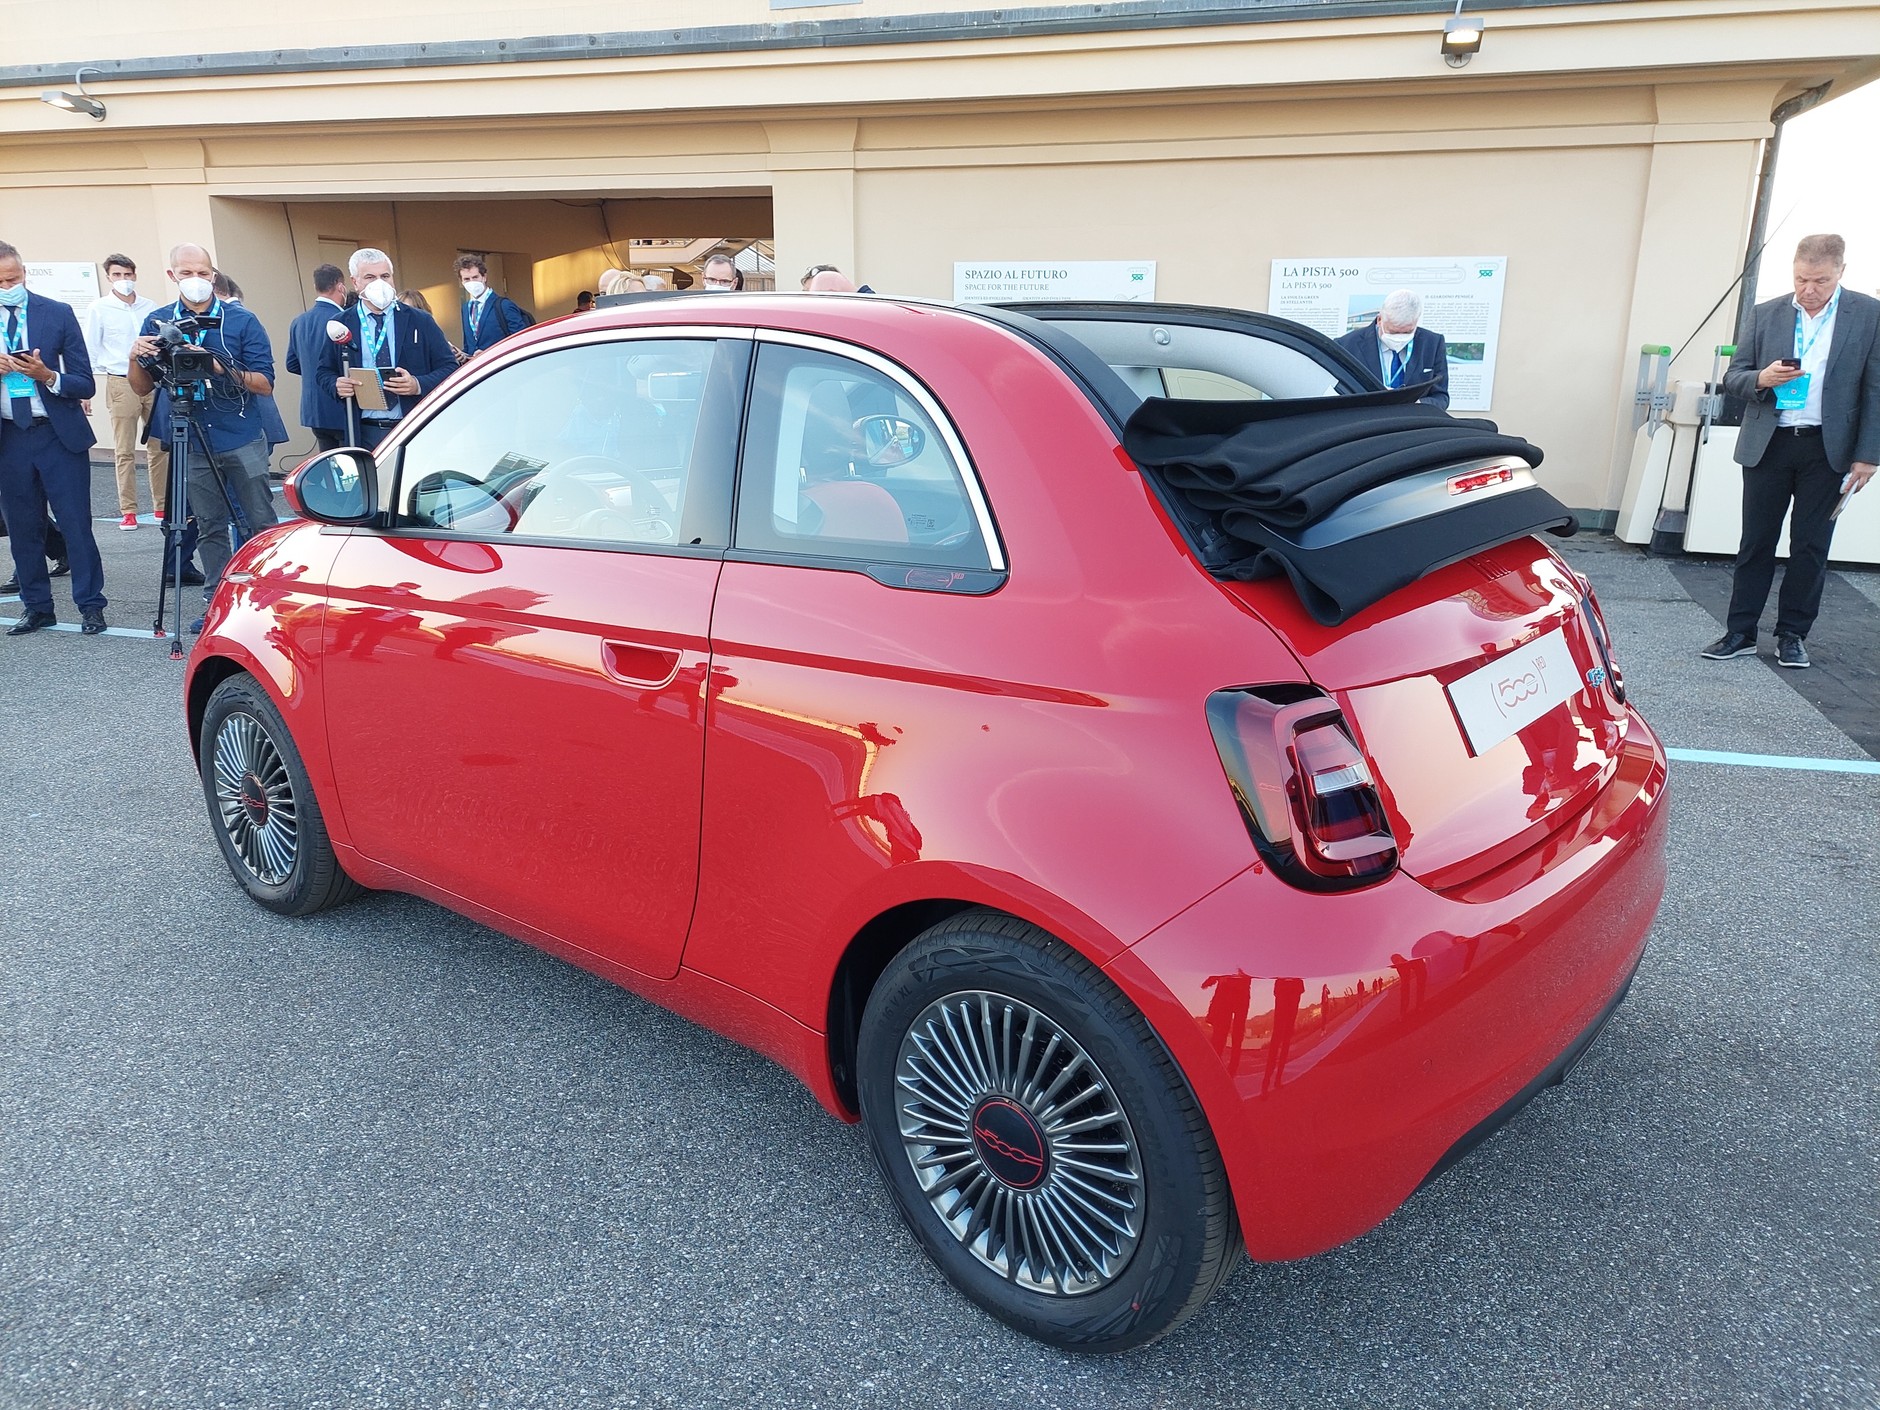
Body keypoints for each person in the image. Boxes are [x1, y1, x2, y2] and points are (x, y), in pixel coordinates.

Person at [1704, 233, 1880, 668]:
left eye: (1819, 280)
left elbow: (1875, 388)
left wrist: (1869, 454)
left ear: (1841, 272)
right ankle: (1740, 632)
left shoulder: (1868, 315)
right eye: (1801, 278)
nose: (1809, 290)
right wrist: (1761, 379)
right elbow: (1735, 376)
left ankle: (1792, 635)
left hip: (1828, 449)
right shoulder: (1766, 313)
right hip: (1771, 444)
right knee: (1755, 543)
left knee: (1810, 547)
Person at [127, 242, 279, 630]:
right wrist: (135, 355)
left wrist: (214, 365)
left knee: (258, 522)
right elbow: (142, 388)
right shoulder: (158, 321)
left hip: (240, 432)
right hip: (192, 435)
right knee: (209, 524)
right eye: (187, 273)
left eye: (203, 273)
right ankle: (216, 598)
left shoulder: (241, 321)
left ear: (214, 275)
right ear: (172, 275)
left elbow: (264, 384)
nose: (196, 281)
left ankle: (267, 596)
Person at [0, 239, 108, 635]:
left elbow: (84, 383)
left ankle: (91, 605)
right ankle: (37, 607)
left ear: (24, 273)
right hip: (9, 437)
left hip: (57, 435)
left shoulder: (57, 313)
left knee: (76, 525)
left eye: (12, 278)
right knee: (24, 528)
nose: (6, 286)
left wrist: (46, 375)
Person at [323, 248, 456, 451]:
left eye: (385, 276)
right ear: (355, 282)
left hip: (415, 425)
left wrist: (417, 384)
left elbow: (449, 367)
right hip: (365, 431)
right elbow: (323, 371)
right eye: (370, 277)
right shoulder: (340, 324)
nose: (380, 283)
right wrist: (336, 385)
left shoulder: (420, 320)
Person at [82, 253, 166, 531]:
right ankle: (128, 509)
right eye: (117, 275)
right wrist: (88, 391)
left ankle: (161, 506)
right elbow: (92, 349)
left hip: (153, 380)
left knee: (158, 446)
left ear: (135, 275)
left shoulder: (150, 307)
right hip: (119, 380)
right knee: (125, 449)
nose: (123, 280)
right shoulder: (99, 308)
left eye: (128, 275)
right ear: (109, 278)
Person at [1334, 289, 1450, 410]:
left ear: (1416, 321)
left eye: (1407, 332)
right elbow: (1340, 395)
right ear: (1380, 320)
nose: (1399, 337)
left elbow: (1441, 396)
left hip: (1413, 424)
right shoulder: (1346, 346)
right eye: (1393, 331)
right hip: (1367, 422)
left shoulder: (1432, 343)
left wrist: (1417, 406)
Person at [284, 263, 351, 450]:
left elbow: (291, 364)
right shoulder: (343, 319)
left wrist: (311, 371)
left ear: (316, 287)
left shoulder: (299, 322)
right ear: (340, 286)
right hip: (341, 406)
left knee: (327, 465)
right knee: (352, 468)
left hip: (313, 409)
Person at [454, 254, 533, 360]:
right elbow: (470, 346)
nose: (472, 282)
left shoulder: (504, 305)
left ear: (484, 277)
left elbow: (521, 341)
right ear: (462, 282)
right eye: (467, 279)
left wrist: (490, 354)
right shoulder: (466, 308)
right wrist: (463, 355)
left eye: (475, 277)